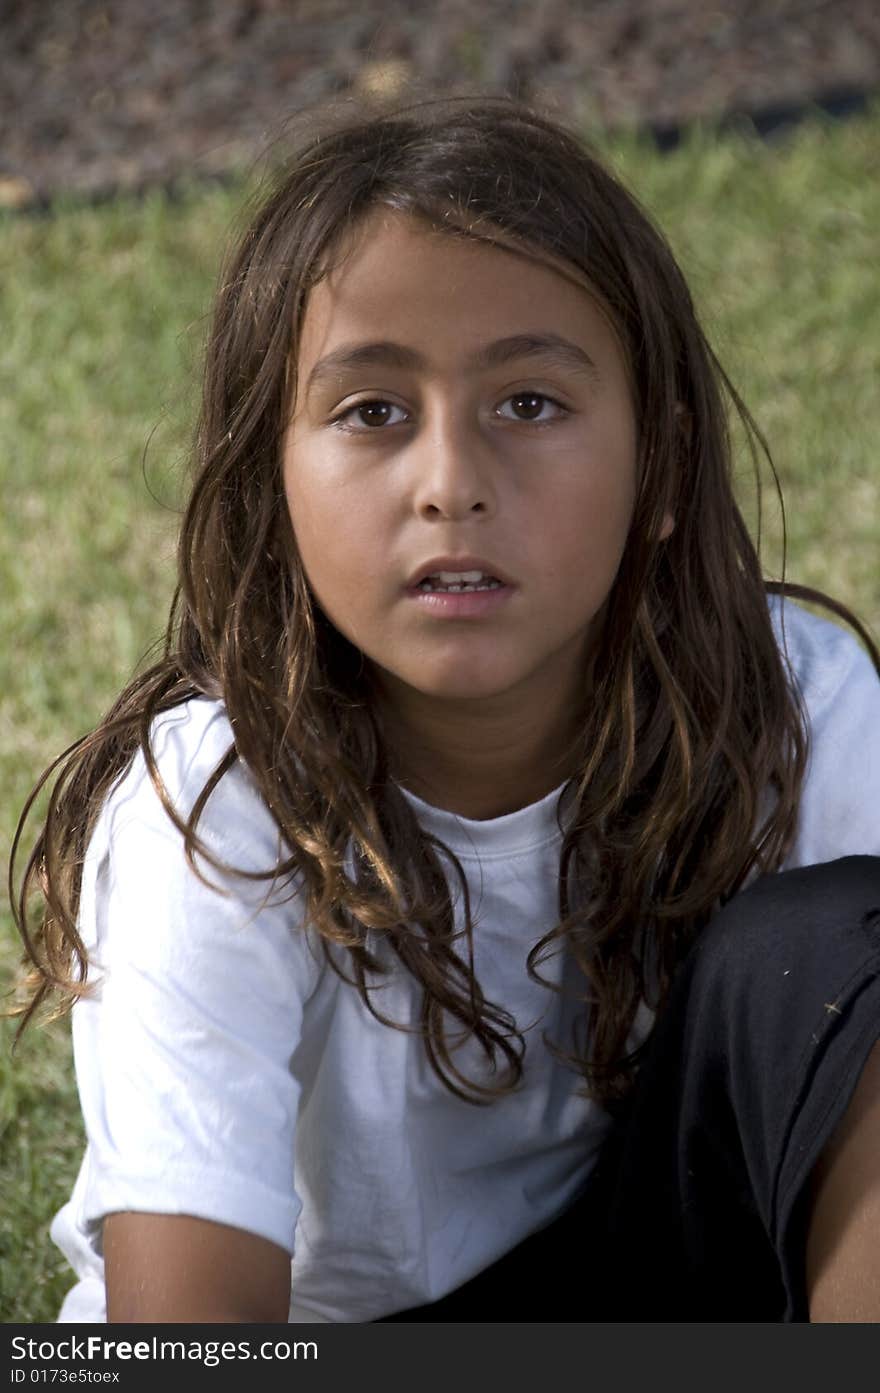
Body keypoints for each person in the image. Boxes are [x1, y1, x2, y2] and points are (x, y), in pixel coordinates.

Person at [9, 93, 880, 1325]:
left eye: (528, 403)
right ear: (273, 484)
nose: (452, 485)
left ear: (665, 468)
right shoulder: (211, 819)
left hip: (670, 1288)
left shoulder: (797, 707)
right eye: (372, 412)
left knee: (848, 943)